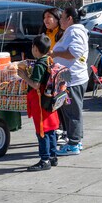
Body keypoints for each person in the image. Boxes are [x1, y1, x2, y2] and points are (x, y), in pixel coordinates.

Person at [17, 35, 59, 171]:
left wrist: (24, 76)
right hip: (50, 101)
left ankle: (44, 159)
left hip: (40, 102)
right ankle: (53, 156)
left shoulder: (40, 64)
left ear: (35, 48)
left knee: (42, 132)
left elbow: (35, 85)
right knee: (51, 130)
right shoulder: (49, 60)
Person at [54, 7, 89, 156]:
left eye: (62, 17)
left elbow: (73, 53)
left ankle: (73, 144)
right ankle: (75, 140)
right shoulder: (72, 31)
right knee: (70, 112)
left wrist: (54, 53)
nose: (59, 20)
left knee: (72, 112)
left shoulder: (74, 31)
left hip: (73, 79)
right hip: (70, 78)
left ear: (69, 19)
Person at [39, 7, 69, 143]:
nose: (46, 20)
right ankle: (56, 129)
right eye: (44, 17)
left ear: (57, 19)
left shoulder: (63, 34)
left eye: (49, 17)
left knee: (63, 102)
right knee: (51, 102)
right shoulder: (43, 33)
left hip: (61, 73)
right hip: (48, 72)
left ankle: (65, 130)